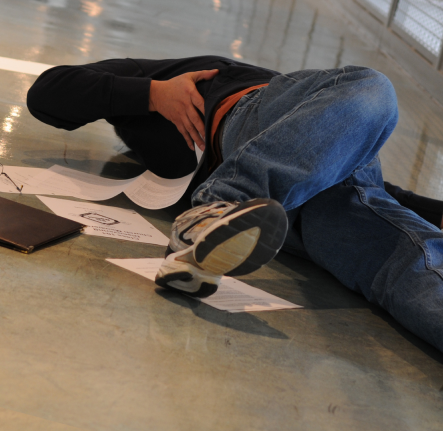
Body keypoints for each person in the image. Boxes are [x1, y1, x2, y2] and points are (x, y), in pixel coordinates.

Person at [27, 56, 443, 353]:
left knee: (401, 248)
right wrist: (155, 93)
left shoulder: (259, 91)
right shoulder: (164, 77)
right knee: (373, 91)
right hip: (262, 186)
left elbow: (332, 159)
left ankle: (210, 217)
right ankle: (220, 206)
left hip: (283, 159)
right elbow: (47, 91)